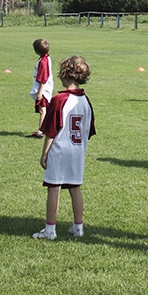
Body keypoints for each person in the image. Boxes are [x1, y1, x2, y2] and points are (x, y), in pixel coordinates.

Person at [33, 56, 96, 241]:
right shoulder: (85, 101)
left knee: (54, 188)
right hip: (78, 151)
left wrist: (44, 153)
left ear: (65, 74)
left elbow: (50, 131)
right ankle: (78, 226)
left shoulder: (59, 100)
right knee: (75, 188)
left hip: (60, 151)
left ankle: (50, 230)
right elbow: (88, 130)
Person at [26, 38, 55, 138]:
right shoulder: (46, 58)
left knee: (42, 109)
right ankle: (43, 129)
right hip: (45, 88)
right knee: (43, 109)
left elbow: (43, 78)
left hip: (43, 89)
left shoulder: (43, 61)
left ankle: (41, 131)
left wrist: (40, 92)